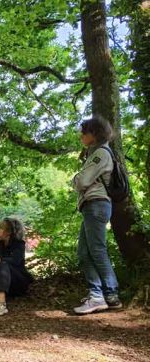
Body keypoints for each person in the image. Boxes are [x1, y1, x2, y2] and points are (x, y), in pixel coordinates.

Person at [72, 116, 121, 314]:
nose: (81, 135)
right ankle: (98, 295)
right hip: (93, 206)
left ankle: (109, 294)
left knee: (97, 250)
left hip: (96, 205)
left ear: (95, 133)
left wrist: (75, 178)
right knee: (84, 253)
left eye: (85, 132)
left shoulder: (100, 153)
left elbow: (82, 182)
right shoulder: (97, 153)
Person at [0, 218, 33, 316]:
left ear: (8, 232)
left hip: (16, 281)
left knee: (3, 263)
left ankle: (1, 302)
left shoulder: (19, 245)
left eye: (1, 227)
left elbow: (16, 260)